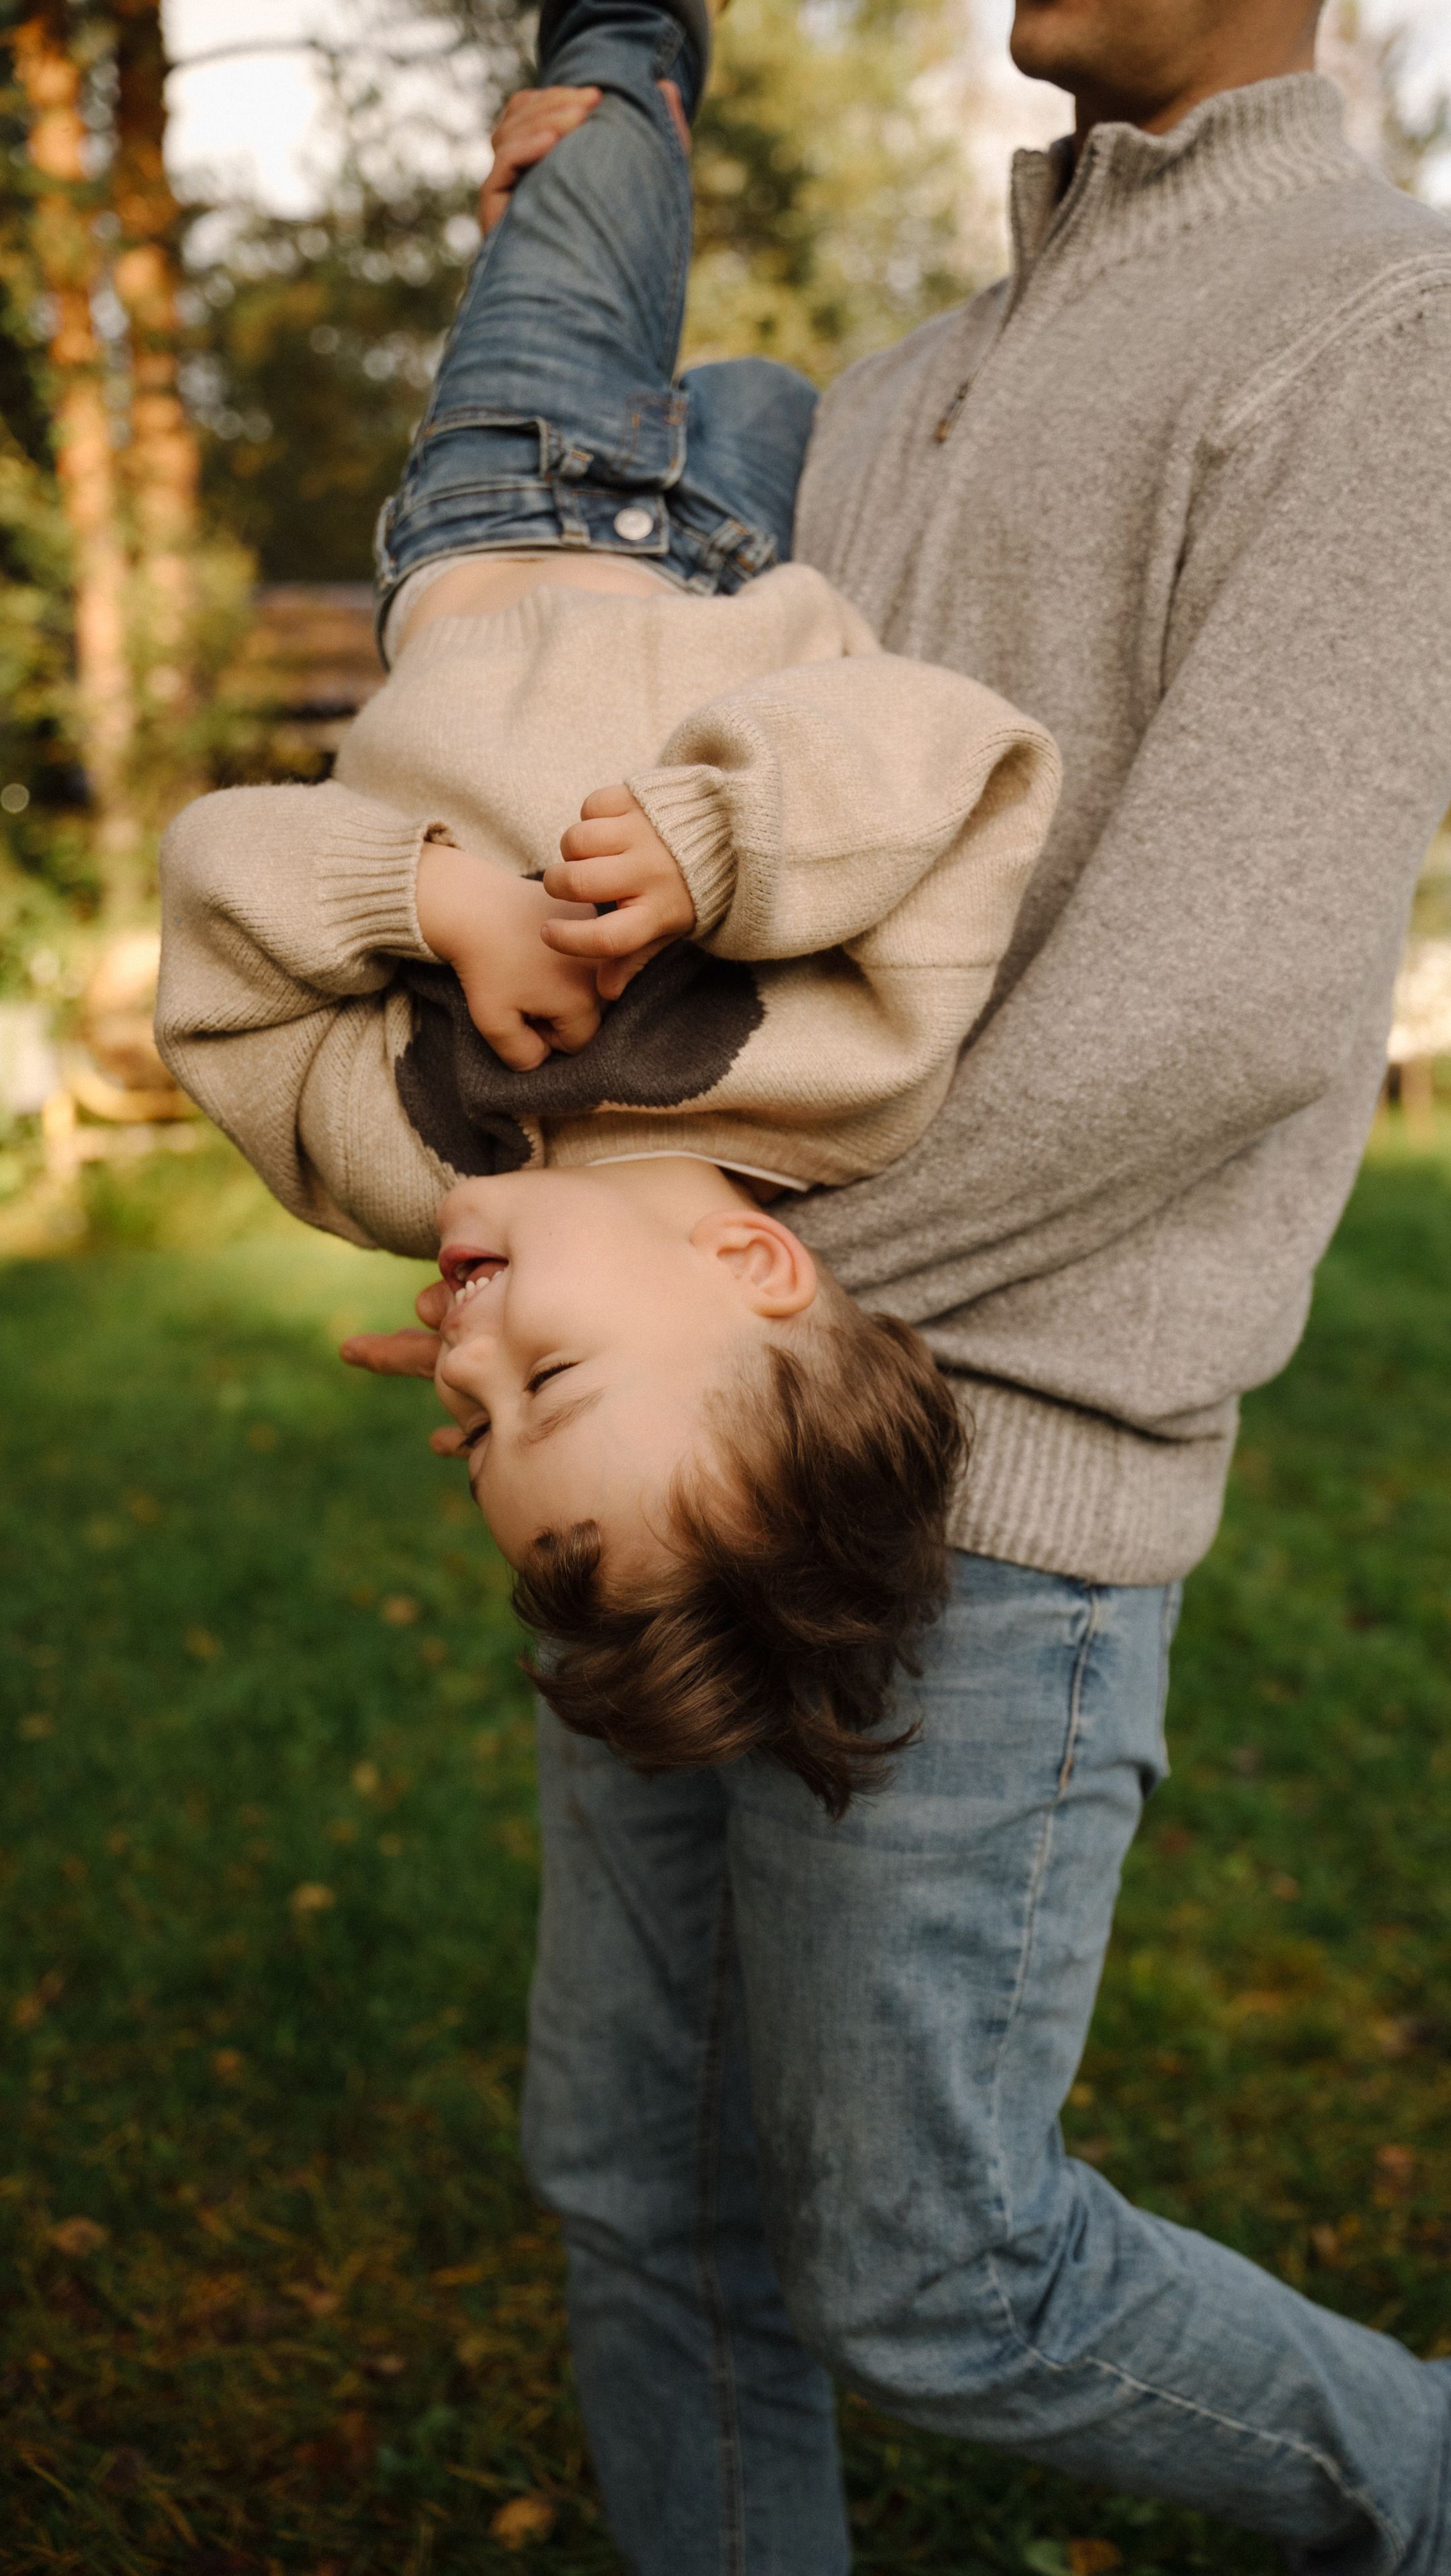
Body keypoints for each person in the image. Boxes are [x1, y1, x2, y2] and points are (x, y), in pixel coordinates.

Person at [484, 1, 1451, 2572]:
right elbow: (650, 784)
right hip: (672, 1432)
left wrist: (682, 1296)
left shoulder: (1381, 328)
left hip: (981, 1496)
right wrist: (565, 285)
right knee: (639, 2190)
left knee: (933, 2265)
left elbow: (1219, 1004)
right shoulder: (901, 385)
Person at [153, 0, 1060, 1802]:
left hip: (513, 491)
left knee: (596, 148)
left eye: (472, 1425)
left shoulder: (416, 1161)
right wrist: (722, 847)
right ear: (750, 1263)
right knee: (641, 88)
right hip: (752, 521)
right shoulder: (852, 1082)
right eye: (545, 1376)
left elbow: (215, 924)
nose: (465, 1351)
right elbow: (961, 762)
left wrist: (434, 901)